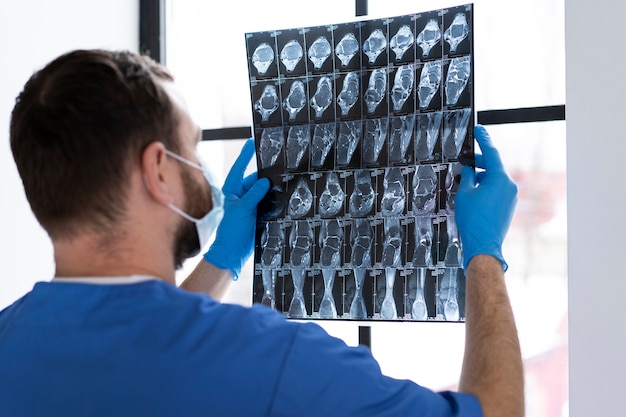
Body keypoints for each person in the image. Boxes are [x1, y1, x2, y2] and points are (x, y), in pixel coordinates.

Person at [0, 49, 523, 417]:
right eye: (194, 144)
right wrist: (483, 254)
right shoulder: (273, 359)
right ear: (159, 170)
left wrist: (222, 262)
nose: (201, 165)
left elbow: (127, 343)